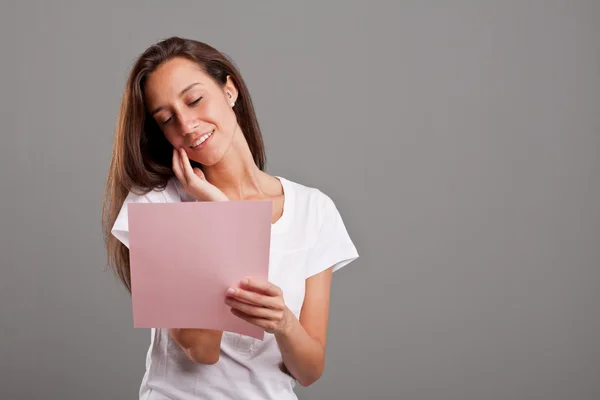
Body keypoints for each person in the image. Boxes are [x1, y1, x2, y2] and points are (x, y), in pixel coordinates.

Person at [102, 36, 359, 400]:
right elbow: (200, 349)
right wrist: (222, 214)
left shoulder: (313, 209)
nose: (188, 125)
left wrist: (283, 321)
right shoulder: (154, 205)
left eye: (194, 100)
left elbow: (309, 370)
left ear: (230, 89)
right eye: (167, 119)